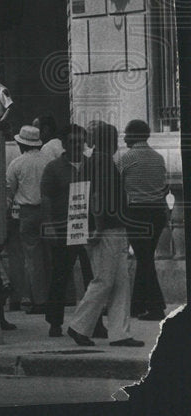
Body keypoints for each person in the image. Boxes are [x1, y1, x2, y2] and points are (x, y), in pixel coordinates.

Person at [66, 123, 143, 347]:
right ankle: (79, 325)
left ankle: (120, 333)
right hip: (108, 229)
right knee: (105, 280)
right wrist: (98, 227)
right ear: (108, 141)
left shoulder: (91, 162)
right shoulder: (103, 162)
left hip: (110, 228)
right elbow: (97, 197)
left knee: (119, 282)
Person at [42, 124, 100, 339]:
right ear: (64, 143)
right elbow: (46, 198)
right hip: (63, 228)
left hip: (88, 228)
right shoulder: (53, 168)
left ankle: (94, 322)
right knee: (60, 276)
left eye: (80, 141)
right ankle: (55, 322)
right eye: (72, 141)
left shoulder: (91, 166)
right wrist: (49, 227)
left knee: (92, 277)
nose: (77, 145)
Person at [119, 119, 169, 321]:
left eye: (127, 134)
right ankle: (137, 305)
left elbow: (117, 184)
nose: (124, 138)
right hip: (157, 212)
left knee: (144, 258)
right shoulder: (158, 158)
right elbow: (164, 186)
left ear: (134, 136)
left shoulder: (127, 158)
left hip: (136, 212)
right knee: (145, 257)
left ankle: (156, 306)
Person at [6, 125, 52, 316]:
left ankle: (36, 299)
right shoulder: (49, 161)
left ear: (20, 143)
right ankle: (50, 296)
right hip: (48, 212)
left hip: (27, 212)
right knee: (49, 255)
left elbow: (9, 189)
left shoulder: (17, 164)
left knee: (31, 257)